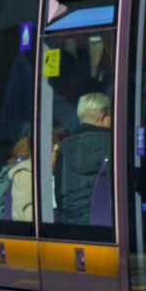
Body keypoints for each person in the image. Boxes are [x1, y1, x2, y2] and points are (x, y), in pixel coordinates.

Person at [55, 92, 112, 225]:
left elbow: (59, 193)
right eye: (112, 116)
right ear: (102, 116)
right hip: (106, 225)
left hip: (72, 224)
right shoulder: (112, 143)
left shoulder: (64, 146)